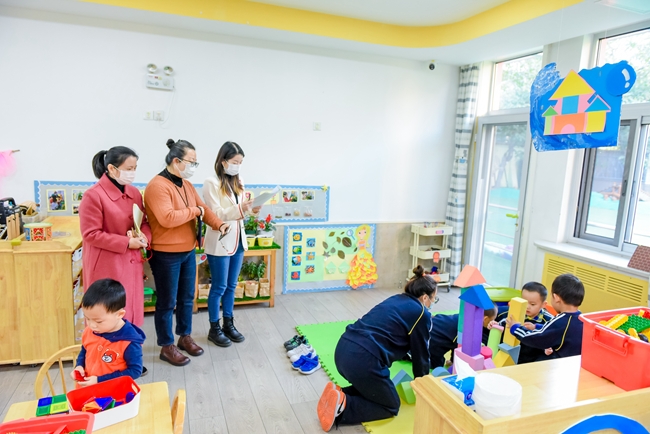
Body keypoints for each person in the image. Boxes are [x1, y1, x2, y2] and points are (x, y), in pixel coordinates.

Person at [317, 265, 436, 432]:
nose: (432, 303)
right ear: (424, 297)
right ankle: (344, 408)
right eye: (433, 299)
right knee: (391, 405)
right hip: (362, 360)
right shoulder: (422, 314)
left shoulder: (397, 299)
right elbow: (421, 355)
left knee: (375, 389)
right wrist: (424, 387)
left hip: (343, 349)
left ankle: (339, 393)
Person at [145, 139, 229, 367]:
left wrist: (219, 224)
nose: (194, 166)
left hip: (188, 251)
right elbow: (167, 218)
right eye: (191, 162)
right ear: (176, 160)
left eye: (195, 162)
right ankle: (166, 346)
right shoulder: (157, 186)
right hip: (166, 254)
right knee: (166, 302)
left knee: (186, 298)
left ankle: (184, 337)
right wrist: (195, 211)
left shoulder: (187, 185)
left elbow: (204, 210)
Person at [79, 146, 151, 327]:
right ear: (111, 168)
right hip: (107, 264)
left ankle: (130, 343)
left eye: (135, 168)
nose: (132, 173)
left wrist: (144, 237)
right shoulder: (93, 195)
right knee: (107, 315)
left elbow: (143, 222)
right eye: (129, 169)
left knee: (131, 310)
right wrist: (127, 242)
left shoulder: (134, 193)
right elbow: (91, 234)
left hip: (132, 262)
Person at [203, 141, 261, 347]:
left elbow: (240, 211)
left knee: (231, 286)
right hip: (220, 240)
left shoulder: (239, 181)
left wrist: (252, 209)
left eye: (240, 162)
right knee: (219, 286)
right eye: (235, 162)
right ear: (223, 161)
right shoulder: (211, 182)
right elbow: (216, 213)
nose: (237, 166)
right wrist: (241, 208)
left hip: (238, 240)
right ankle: (214, 328)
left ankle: (228, 323)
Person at [71, 279, 146, 387]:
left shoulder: (129, 342)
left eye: (98, 321)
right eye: (87, 318)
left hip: (114, 392)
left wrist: (100, 380)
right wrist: (79, 366)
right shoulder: (90, 331)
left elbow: (135, 371)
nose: (91, 325)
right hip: (88, 388)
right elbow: (85, 350)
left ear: (119, 314)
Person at [506, 274, 584, 360]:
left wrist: (516, 328)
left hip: (560, 363)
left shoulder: (561, 321)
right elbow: (554, 331)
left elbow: (536, 338)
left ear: (556, 297)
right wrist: (536, 326)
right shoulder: (582, 318)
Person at [491, 282, 554, 364]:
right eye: (524, 302)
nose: (527, 306)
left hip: (532, 360)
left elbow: (551, 337)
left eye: (532, 304)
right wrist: (494, 326)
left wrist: (546, 349)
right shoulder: (516, 311)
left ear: (543, 304)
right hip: (511, 354)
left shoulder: (550, 320)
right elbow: (504, 323)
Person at [428, 303, 498, 369]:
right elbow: (459, 347)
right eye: (492, 320)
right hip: (431, 340)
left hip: (433, 324)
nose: (493, 321)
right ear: (485, 319)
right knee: (436, 365)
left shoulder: (466, 317)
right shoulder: (467, 329)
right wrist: (454, 362)